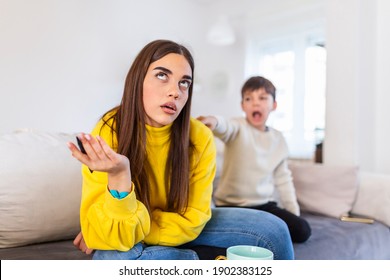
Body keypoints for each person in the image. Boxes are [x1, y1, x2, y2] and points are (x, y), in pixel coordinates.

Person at [67, 40, 294, 260]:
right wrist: (119, 175)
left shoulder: (200, 137)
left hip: (160, 227)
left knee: (275, 230)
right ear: (138, 79)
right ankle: (208, 258)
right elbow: (109, 228)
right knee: (115, 259)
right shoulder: (110, 129)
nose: (175, 91)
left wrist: (114, 231)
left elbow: (193, 219)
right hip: (143, 225)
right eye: (162, 75)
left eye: (184, 82)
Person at [198, 76, 311, 243]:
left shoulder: (278, 139)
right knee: (257, 235)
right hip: (230, 206)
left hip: (263, 206)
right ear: (243, 106)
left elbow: (283, 180)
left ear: (274, 105)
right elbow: (225, 126)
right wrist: (213, 121)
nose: (255, 103)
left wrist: (293, 214)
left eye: (263, 98)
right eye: (249, 99)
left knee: (302, 230)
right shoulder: (238, 128)